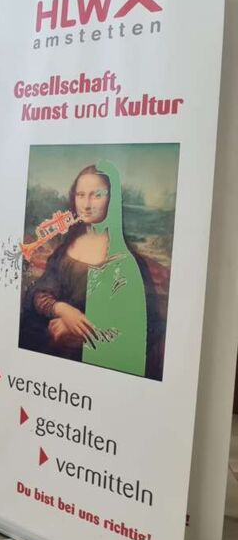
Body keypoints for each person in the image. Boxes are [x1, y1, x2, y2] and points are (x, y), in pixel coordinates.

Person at [20, 162, 160, 378]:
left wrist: (78, 332)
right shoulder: (65, 250)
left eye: (96, 195)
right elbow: (39, 293)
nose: (86, 204)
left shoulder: (128, 263)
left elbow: (143, 327)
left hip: (98, 367)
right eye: (81, 195)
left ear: (112, 200)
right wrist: (62, 310)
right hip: (51, 365)